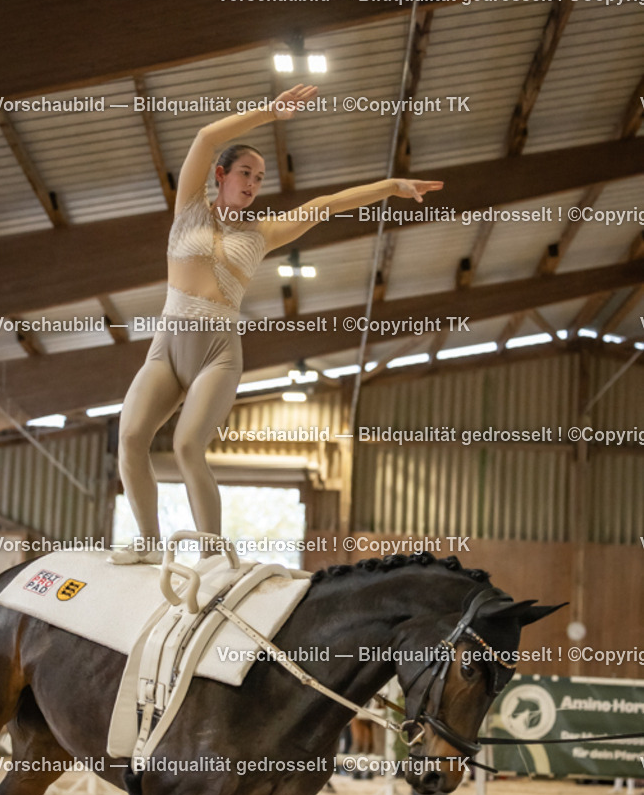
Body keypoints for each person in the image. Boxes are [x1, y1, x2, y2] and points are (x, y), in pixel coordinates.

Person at [110, 84, 443, 563]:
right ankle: (145, 543)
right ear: (220, 175)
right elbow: (205, 137)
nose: (252, 183)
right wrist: (269, 112)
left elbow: (326, 205)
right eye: (245, 172)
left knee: (187, 445)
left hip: (217, 355)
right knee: (130, 437)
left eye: (260, 178)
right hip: (166, 349)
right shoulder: (187, 211)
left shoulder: (261, 234)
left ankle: (211, 557)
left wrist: (391, 187)